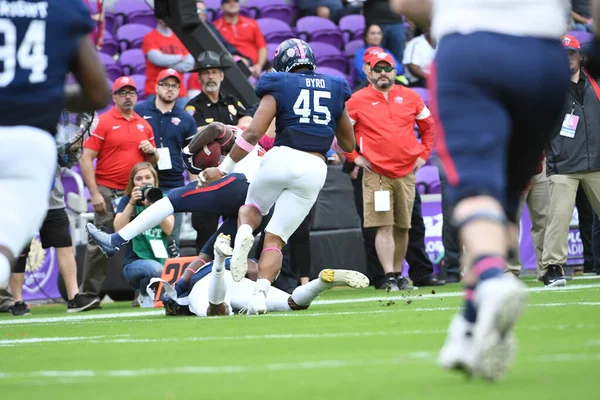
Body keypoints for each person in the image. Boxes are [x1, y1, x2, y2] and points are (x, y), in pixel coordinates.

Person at [392, 0, 571, 381]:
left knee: (477, 190)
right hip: (546, 57)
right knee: (503, 201)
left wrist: (433, 21)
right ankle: (469, 328)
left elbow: (408, 4)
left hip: (472, 49)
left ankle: (491, 280)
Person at [200, 38, 356, 315]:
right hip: (315, 168)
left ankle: (246, 233)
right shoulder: (335, 86)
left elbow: (252, 133)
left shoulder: (277, 83)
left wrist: (224, 168)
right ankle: (260, 295)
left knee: (251, 210)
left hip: (282, 157)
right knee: (276, 240)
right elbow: (349, 145)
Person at [0, 0, 111, 289]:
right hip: (30, 141)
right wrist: (42, 96)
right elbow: (98, 93)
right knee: (5, 246)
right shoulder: (63, 8)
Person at [86, 123, 264, 268]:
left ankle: (115, 240)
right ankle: (182, 289)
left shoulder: (234, 133)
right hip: (265, 205)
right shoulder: (254, 149)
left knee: (175, 198)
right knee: (210, 250)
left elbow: (216, 128)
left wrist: (187, 152)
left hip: (244, 185)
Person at [344, 52, 436, 291]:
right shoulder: (356, 100)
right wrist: (354, 157)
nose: (383, 73)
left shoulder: (411, 97)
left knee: (403, 226)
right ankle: (390, 276)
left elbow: (429, 128)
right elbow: (341, 131)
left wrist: (424, 156)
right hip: (377, 175)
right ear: (370, 73)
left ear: (395, 72)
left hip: (406, 173)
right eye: (378, 69)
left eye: (387, 69)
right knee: (383, 225)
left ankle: (398, 274)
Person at [154, 234, 369, 317]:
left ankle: (219, 263)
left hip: (209, 282)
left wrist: (180, 284)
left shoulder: (188, 286)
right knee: (293, 303)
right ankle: (321, 282)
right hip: (236, 279)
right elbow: (252, 268)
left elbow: (188, 275)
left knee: (218, 313)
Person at [80, 76, 157, 298]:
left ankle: (143, 293)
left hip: (136, 193)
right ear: (114, 97)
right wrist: (94, 193)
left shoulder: (144, 125)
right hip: (107, 190)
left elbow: (150, 165)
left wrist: (152, 153)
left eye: (131, 92)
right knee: (99, 243)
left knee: (141, 241)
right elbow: (86, 159)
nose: (128, 96)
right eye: (122, 93)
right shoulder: (103, 121)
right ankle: (88, 295)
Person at [541, 35, 600, 287]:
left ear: (580, 56)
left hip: (597, 162)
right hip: (563, 164)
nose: (567, 59)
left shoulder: (596, 84)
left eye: (571, 54)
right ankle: (553, 268)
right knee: (559, 218)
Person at [134, 69, 198, 251]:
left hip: (174, 184)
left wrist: (193, 189)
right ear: (156, 87)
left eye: (175, 86)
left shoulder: (186, 118)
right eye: (166, 85)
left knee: (172, 240)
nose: (170, 89)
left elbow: (190, 156)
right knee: (143, 236)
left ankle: (169, 277)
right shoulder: (140, 111)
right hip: (144, 182)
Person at [113, 162, 174, 307]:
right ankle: (144, 293)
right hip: (134, 263)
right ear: (132, 182)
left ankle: (151, 295)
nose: (144, 181)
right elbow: (117, 229)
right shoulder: (127, 200)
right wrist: (132, 203)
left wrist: (153, 207)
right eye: (139, 179)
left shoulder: (163, 199)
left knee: (167, 272)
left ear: (155, 180)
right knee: (156, 270)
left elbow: (169, 229)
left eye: (148, 177)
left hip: (162, 259)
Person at [142, 20, 194, 108]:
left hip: (179, 92)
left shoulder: (180, 37)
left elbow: (189, 64)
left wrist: (167, 65)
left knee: (183, 120)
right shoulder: (150, 37)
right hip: (155, 91)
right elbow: (158, 59)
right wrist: (180, 57)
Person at [213, 0, 267, 78]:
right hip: (232, 69)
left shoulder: (252, 23)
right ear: (221, 7)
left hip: (256, 68)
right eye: (228, 2)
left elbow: (262, 47)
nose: (232, 4)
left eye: (235, 1)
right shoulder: (215, 27)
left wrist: (259, 66)